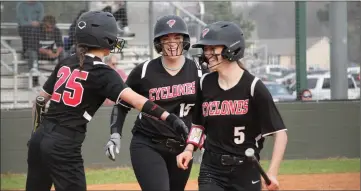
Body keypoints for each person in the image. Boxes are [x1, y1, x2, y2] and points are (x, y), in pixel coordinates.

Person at [25, 11, 188, 191]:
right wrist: (170, 118)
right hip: (63, 142)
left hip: (39, 138)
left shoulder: (67, 61)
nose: (115, 39)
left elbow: (40, 101)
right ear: (103, 38)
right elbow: (137, 101)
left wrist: (36, 131)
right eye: (113, 35)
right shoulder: (103, 72)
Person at [176, 21, 288, 191]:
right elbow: (198, 125)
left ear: (232, 48)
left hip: (246, 170)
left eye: (212, 48)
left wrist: (272, 173)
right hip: (211, 169)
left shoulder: (253, 87)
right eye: (205, 49)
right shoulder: (204, 83)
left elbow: (280, 134)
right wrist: (189, 149)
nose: (207, 53)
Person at [104, 15, 207, 191]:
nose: (172, 43)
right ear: (158, 43)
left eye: (177, 37)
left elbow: (206, 112)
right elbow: (122, 104)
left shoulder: (199, 72)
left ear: (185, 40)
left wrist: (203, 140)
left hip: (182, 147)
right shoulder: (143, 71)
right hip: (147, 143)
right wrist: (115, 134)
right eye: (166, 38)